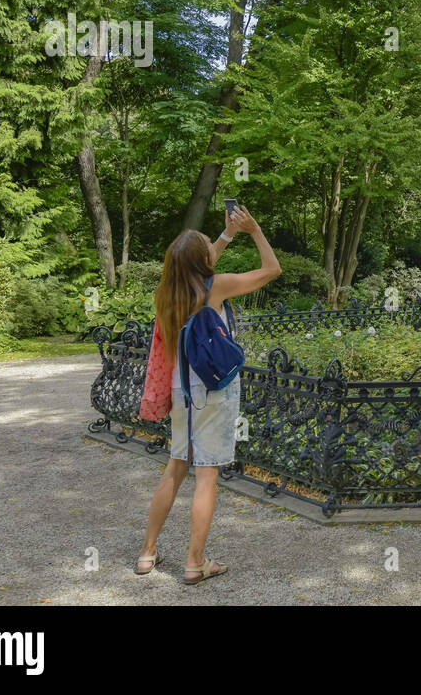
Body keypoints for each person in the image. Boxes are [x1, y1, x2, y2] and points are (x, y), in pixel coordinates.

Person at [134, 204, 281, 584]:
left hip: (180, 386)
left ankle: (147, 553)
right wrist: (254, 230)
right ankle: (194, 563)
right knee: (207, 477)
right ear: (202, 262)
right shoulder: (215, 287)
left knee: (174, 467)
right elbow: (272, 270)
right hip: (212, 389)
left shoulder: (167, 292)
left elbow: (200, 262)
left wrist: (227, 234)